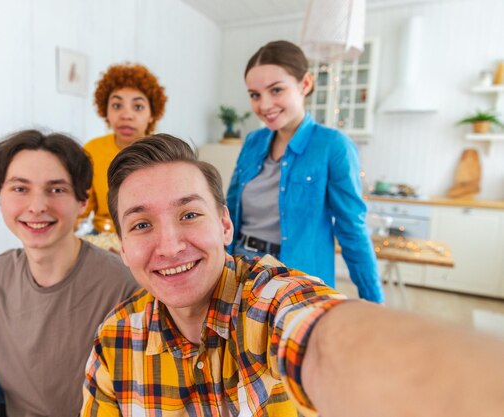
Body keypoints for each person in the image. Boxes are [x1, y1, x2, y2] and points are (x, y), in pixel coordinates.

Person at [80, 134, 504, 417]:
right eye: (141, 225)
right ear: (121, 243)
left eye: (190, 214)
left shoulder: (268, 300)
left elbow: (320, 337)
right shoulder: (114, 341)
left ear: (225, 226)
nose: (169, 246)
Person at [0, 130, 140, 417]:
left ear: (83, 201)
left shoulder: (122, 285)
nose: (37, 206)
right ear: (0, 197)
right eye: (20, 189)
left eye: (56, 190)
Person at [226, 40, 384, 303]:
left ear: (305, 84)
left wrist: (375, 302)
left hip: (297, 286)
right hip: (241, 274)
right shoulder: (253, 142)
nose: (264, 105)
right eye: (255, 95)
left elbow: (352, 230)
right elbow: (229, 213)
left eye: (276, 90)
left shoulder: (333, 146)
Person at [80, 63, 167, 234]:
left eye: (138, 107)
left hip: (151, 234)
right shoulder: (92, 150)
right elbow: (81, 205)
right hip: (103, 236)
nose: (126, 115)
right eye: (117, 106)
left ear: (151, 114)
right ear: (105, 111)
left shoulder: (165, 153)